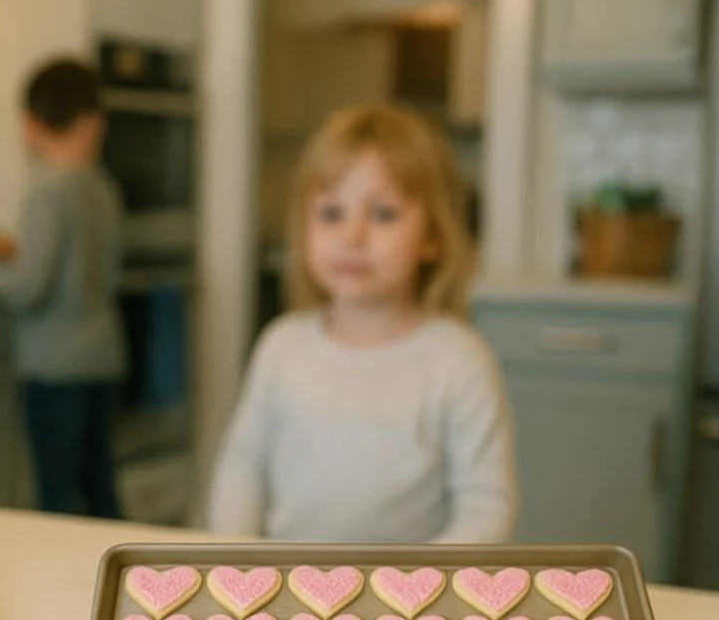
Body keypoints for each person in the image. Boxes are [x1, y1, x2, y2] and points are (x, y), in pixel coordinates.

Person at [209, 104, 518, 543]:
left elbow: (486, 506)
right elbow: (242, 467)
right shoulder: (281, 346)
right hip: (286, 589)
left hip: (411, 603)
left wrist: (417, 587)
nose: (352, 237)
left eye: (383, 214)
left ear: (432, 236)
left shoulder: (459, 359)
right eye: (332, 214)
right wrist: (236, 556)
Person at [0, 57, 126, 518]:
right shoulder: (103, 188)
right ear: (94, 123)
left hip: (55, 367)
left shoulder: (46, 191)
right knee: (100, 487)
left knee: (57, 495)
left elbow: (28, 288)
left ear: (31, 125)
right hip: (104, 358)